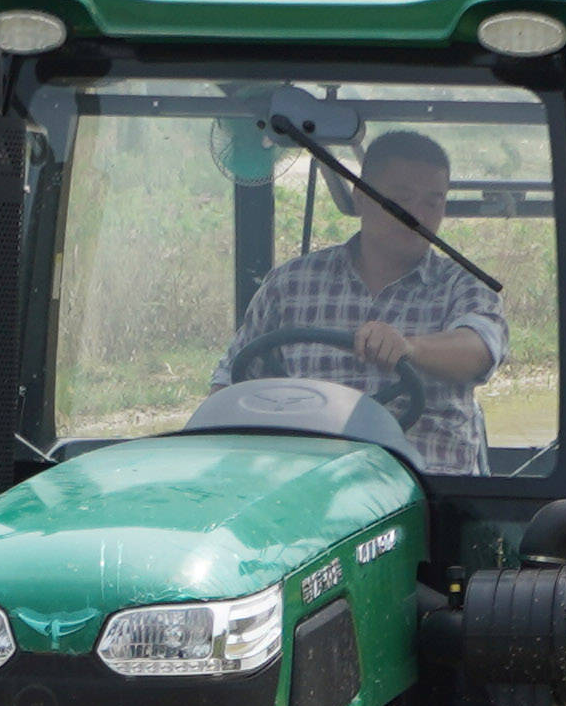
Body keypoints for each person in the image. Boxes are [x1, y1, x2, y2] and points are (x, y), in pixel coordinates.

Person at [216, 121, 505, 466]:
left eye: (433, 202)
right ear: (362, 198)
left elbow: (481, 348)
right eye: (402, 200)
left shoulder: (464, 284)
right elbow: (230, 385)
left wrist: (409, 348)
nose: (419, 216)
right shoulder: (288, 285)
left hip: (427, 487)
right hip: (308, 477)